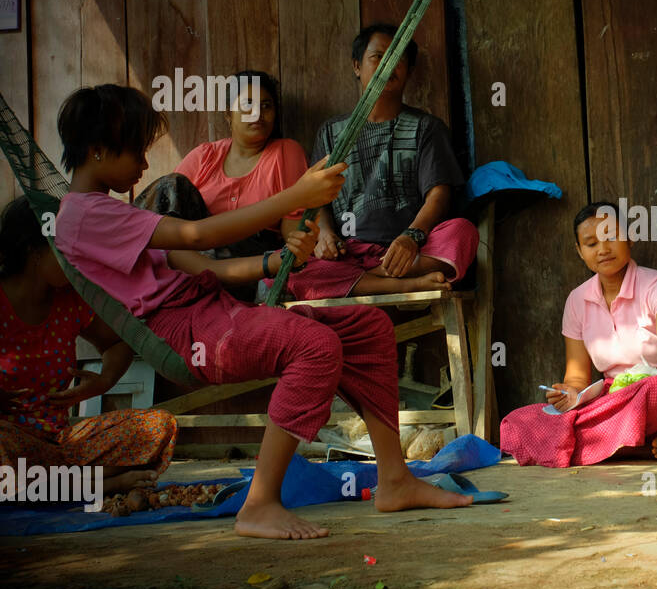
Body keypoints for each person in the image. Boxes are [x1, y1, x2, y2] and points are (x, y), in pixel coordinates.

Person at [53, 84, 473, 540]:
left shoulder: (109, 214)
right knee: (314, 346)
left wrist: (274, 261)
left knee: (367, 326)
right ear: (97, 151)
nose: (142, 166)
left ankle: (394, 481)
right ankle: (259, 504)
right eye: (136, 152)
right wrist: (295, 194)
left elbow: (205, 265)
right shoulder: (84, 217)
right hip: (187, 331)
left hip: (214, 307)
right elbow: (196, 236)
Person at [498, 201, 657, 467]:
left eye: (611, 236)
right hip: (610, 402)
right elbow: (577, 377)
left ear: (629, 237)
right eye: (591, 244)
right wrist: (568, 394)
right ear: (580, 251)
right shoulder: (577, 300)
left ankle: (571, 444)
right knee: (517, 422)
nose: (603, 249)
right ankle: (639, 448)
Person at [1, 197, 177, 493]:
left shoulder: (70, 299)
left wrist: (104, 381)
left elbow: (117, 344)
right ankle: (102, 484)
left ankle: (63, 486)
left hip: (61, 446)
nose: (76, 259)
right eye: (67, 250)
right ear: (34, 251)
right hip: (9, 445)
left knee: (158, 426)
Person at [289, 24, 478, 299]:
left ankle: (365, 280)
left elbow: (439, 195)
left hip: (410, 253)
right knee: (288, 268)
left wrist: (411, 237)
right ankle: (400, 284)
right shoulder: (332, 133)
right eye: (378, 57)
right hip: (349, 254)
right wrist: (326, 236)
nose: (390, 64)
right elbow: (317, 200)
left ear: (409, 71)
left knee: (463, 233)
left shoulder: (426, 128)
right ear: (357, 66)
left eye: (399, 58)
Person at [133, 71, 307, 300]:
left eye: (266, 106)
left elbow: (292, 231)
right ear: (228, 114)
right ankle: (127, 253)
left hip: (251, 261)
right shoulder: (205, 156)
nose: (258, 113)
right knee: (171, 185)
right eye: (247, 105)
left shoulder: (286, 152)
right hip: (196, 253)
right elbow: (166, 208)